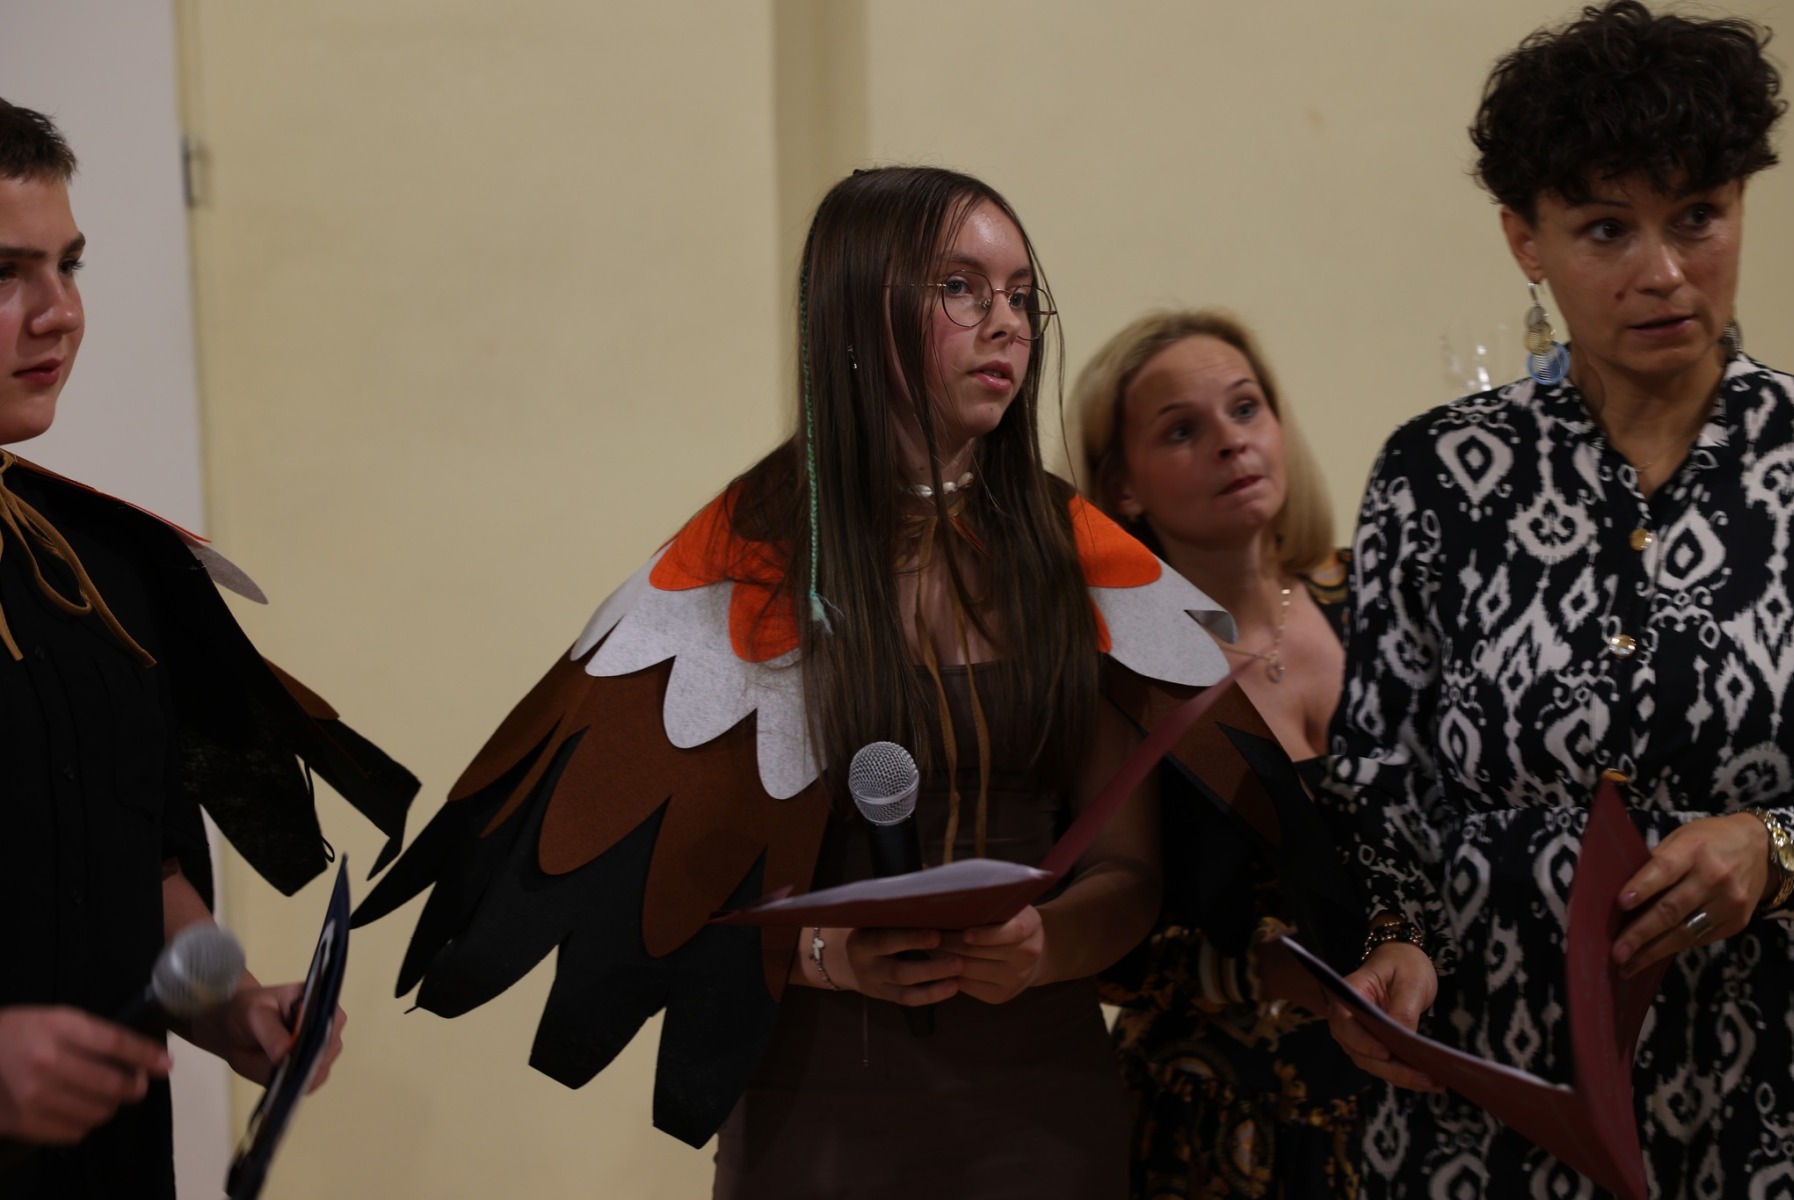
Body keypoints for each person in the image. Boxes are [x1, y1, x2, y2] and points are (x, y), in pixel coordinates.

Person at [356, 166, 1264, 1198]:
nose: (1007, 323)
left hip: (1043, 1112)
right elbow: (662, 891)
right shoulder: (741, 557)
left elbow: (1131, 872)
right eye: (960, 287)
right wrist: (829, 953)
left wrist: (1047, 943)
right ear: (857, 308)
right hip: (814, 1116)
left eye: (1022, 295)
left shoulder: (1079, 559)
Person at [1321, 4, 1794, 1196]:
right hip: (1492, 1086)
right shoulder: (1437, 475)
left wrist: (1778, 844)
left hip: (1766, 1080)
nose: (1664, 272)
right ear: (1524, 240)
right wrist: (1393, 945)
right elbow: (1380, 771)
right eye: (1605, 229)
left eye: (1698, 216)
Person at [0, 99, 416, 1198]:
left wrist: (225, 1007)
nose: (58, 314)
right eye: (4, 275)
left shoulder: (101, 566)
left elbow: (141, 860)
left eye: (68, 266)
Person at [1076, 309, 1364, 1199]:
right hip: (1214, 1125)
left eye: (1246, 409)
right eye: (1182, 430)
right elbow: (1103, 943)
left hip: (1412, 1099)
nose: (1231, 442)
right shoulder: (1121, 675)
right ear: (1123, 488)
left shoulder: (1375, 600)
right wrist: (1257, 968)